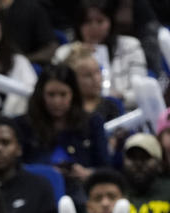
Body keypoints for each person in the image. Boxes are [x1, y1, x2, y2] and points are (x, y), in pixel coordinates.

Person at [17, 64, 108, 205]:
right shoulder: (24, 124)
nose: (57, 101)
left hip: (82, 191)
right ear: (41, 95)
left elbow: (106, 167)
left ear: (73, 94)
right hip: (36, 191)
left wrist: (88, 173)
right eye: (51, 95)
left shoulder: (92, 122)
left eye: (63, 94)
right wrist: (46, 171)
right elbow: (16, 166)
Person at [51, 0, 147, 109]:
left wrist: (120, 97)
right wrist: (73, 56)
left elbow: (142, 91)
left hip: (124, 111)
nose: (94, 27)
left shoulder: (130, 45)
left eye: (100, 21)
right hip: (78, 114)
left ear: (110, 22)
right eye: (87, 22)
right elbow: (54, 88)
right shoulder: (64, 52)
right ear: (78, 26)